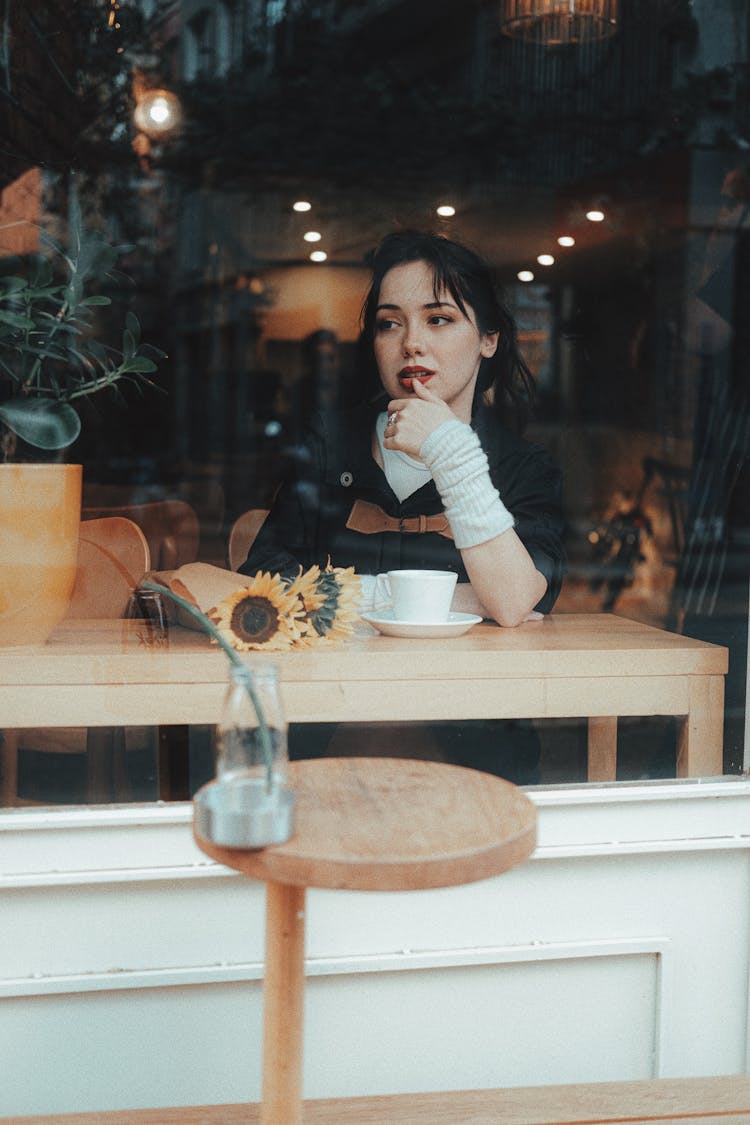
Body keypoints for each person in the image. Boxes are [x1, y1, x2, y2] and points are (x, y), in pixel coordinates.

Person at [240, 229, 566, 782]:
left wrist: (450, 451)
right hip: (320, 729)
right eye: (391, 323)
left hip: (472, 739)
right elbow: (263, 586)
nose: (412, 342)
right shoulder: (329, 442)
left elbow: (512, 599)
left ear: (488, 338)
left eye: (439, 319)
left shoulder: (521, 468)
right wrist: (448, 601)